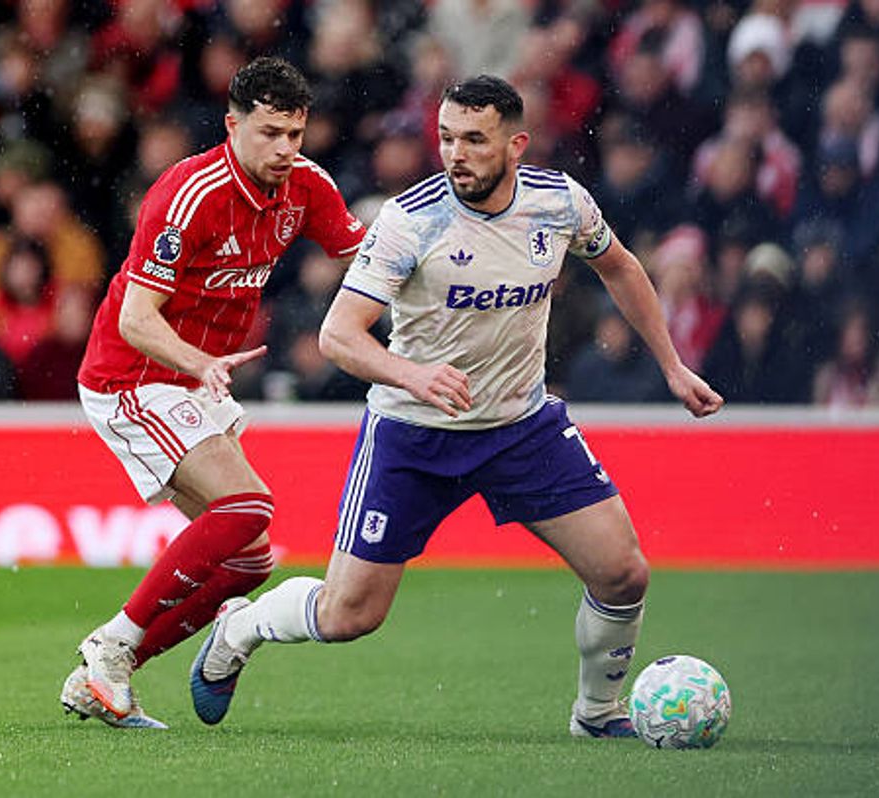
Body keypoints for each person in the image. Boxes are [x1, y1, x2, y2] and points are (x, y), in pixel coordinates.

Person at [189, 75, 722, 738]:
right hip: (414, 436)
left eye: (474, 139)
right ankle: (240, 626)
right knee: (350, 615)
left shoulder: (560, 205)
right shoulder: (412, 219)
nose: (455, 153)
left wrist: (671, 365)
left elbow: (620, 267)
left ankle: (597, 712)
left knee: (623, 573)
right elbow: (338, 335)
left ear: (516, 145)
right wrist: (410, 374)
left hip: (520, 426)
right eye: (445, 137)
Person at [61, 56, 365, 729]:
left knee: (249, 557)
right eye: (270, 133)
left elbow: (359, 249)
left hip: (193, 377)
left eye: (296, 133)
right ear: (232, 126)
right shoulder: (188, 194)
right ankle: (110, 643)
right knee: (249, 503)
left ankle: (104, 677)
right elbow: (137, 319)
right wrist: (198, 360)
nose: (286, 148)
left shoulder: (306, 187)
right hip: (133, 374)